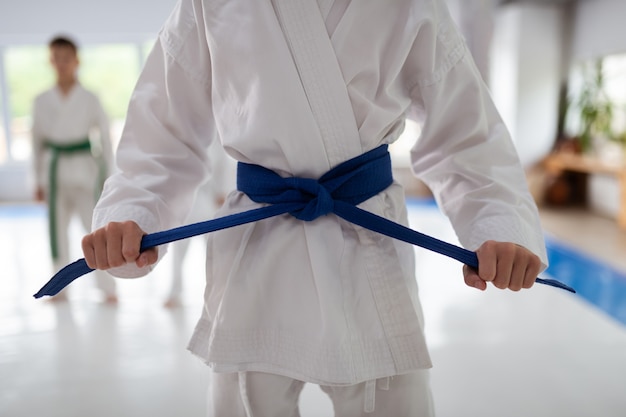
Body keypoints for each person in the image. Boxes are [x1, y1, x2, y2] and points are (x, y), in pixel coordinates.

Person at [81, 0, 547, 415]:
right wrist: (133, 214)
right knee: (246, 400)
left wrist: (498, 224)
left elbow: (464, 132)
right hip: (258, 246)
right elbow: (163, 131)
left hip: (367, 240)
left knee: (393, 401)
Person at [32, 35, 117, 303]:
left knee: (94, 231)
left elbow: (105, 138)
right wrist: (37, 181)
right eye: (56, 58)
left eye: (66, 58)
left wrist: (108, 177)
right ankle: (59, 287)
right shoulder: (41, 100)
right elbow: (36, 144)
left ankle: (107, 288)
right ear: (51, 61)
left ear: (76, 60)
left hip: (85, 172)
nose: (61, 63)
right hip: (54, 173)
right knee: (57, 233)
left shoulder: (90, 98)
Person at [163, 140, 236, 308]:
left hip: (208, 201)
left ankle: (220, 292)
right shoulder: (181, 137)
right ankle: (175, 291)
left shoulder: (217, 139)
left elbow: (223, 167)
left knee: (214, 249)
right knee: (179, 248)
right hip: (185, 202)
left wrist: (222, 192)